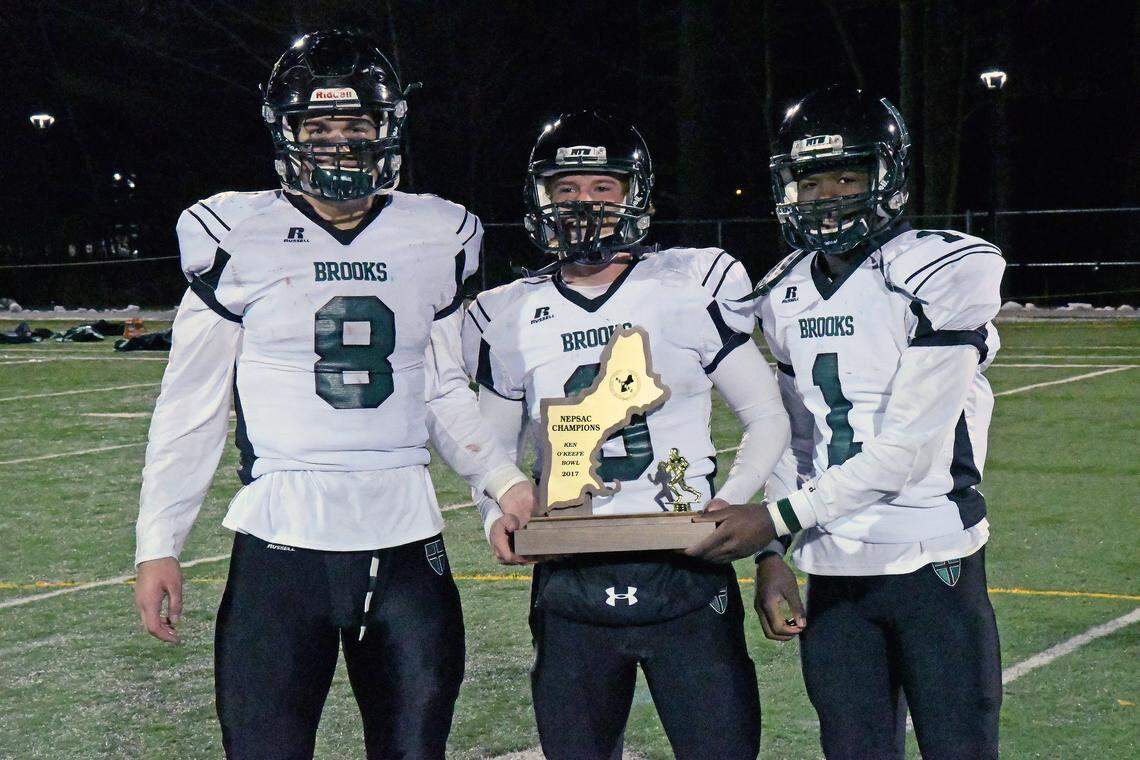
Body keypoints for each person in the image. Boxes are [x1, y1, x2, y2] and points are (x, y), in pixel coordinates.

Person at [132, 30, 535, 760]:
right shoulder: (234, 231)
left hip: (405, 536)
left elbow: (441, 386)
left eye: (357, 127)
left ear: (388, 131)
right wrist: (158, 545)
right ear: (286, 132)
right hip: (282, 541)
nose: (339, 146)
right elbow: (190, 408)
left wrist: (502, 481)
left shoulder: (434, 233)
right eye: (319, 128)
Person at [460, 110, 790, 760]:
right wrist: (492, 512)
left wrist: (736, 501)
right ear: (539, 198)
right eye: (567, 190)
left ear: (635, 197)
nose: (583, 205)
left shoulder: (689, 288)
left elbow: (769, 415)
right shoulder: (506, 313)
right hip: (569, 580)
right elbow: (487, 452)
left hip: (688, 575)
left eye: (602, 189)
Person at [690, 86, 1004, 759]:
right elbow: (794, 435)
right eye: (811, 181)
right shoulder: (783, 290)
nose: (827, 196)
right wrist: (775, 555)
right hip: (833, 567)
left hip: (931, 559)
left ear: (884, 177)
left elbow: (909, 452)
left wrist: (772, 521)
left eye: (846, 176)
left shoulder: (938, 270)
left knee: (961, 748)